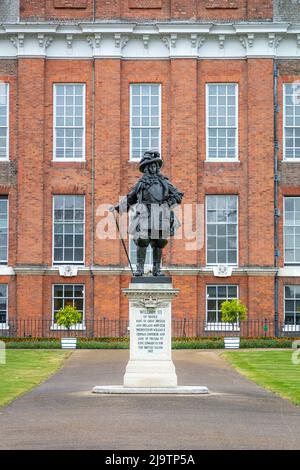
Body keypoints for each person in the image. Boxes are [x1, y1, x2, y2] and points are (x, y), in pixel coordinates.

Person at [113, 150, 184, 276]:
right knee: (142, 240)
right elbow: (131, 197)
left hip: (160, 214)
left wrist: (167, 204)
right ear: (146, 168)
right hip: (145, 213)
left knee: (159, 241)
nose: (154, 167)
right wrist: (119, 208)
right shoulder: (141, 184)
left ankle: (157, 269)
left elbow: (177, 195)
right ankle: (140, 268)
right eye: (151, 165)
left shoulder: (164, 181)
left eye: (156, 165)